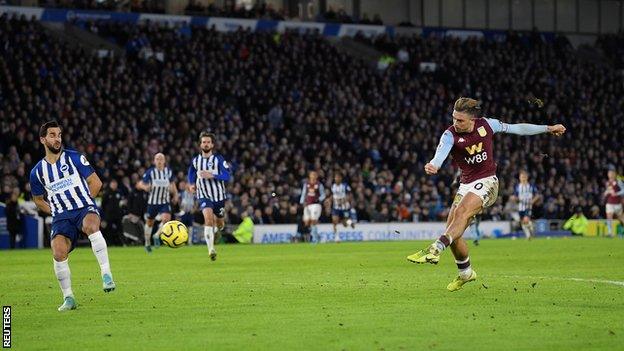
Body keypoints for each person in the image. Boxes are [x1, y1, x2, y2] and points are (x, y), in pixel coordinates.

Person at [406, 97, 566, 291]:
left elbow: (518, 128)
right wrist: (434, 165)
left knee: (461, 212)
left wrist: (548, 128)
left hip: (488, 181)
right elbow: (440, 153)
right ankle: (466, 273)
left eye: (460, 120)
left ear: (472, 119)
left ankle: (435, 248)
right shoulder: (449, 135)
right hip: (465, 185)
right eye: (454, 118)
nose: (456, 123)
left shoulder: (488, 125)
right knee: (453, 231)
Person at [29, 121, 116, 311]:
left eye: (59, 134)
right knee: (58, 252)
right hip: (62, 217)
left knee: (92, 226)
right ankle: (69, 298)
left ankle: (106, 273)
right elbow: (38, 200)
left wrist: (84, 200)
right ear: (43, 139)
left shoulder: (74, 158)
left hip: (83, 207)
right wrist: (56, 210)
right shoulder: (37, 172)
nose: (57, 138)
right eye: (52, 135)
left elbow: (96, 182)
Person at [188, 131, 231, 260]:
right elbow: (191, 171)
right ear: (200, 144)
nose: (205, 144)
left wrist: (212, 175)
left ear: (212, 145)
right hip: (203, 195)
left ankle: (217, 231)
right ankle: (211, 249)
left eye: (208, 142)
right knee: (208, 220)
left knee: (220, 223)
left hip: (218, 197)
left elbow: (227, 175)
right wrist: (191, 184)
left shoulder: (218, 159)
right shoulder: (196, 160)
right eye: (203, 142)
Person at [137, 153, 178, 253]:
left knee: (166, 219)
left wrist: (176, 195)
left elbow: (172, 184)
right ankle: (147, 243)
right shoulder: (150, 172)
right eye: (157, 159)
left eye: (161, 159)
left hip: (164, 201)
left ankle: (156, 235)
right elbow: (139, 184)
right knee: (150, 223)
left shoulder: (168, 172)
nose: (159, 161)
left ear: (164, 161)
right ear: (154, 161)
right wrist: (144, 187)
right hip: (153, 202)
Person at [512, 170, 540, 240]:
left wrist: (532, 201)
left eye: (524, 177)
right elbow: (515, 196)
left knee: (526, 219)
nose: (523, 178)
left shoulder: (531, 186)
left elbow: (537, 195)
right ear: (519, 178)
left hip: (528, 206)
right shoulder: (518, 187)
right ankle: (529, 235)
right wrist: (514, 198)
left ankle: (530, 232)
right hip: (520, 207)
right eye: (522, 177)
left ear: (527, 177)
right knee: (523, 222)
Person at [299, 171, 325, 243]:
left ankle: (314, 239)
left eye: (314, 175)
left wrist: (318, 199)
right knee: (307, 222)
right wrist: (302, 202)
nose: (313, 176)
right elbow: (304, 193)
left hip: (316, 205)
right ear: (310, 176)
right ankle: (316, 236)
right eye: (312, 175)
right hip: (307, 205)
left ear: (316, 176)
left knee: (313, 221)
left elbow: (323, 195)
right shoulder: (306, 184)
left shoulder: (319, 185)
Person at [330, 172, 355, 243]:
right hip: (336, 207)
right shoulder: (333, 186)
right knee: (334, 221)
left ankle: (350, 222)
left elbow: (349, 195)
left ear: (341, 178)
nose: (336, 179)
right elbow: (333, 195)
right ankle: (337, 238)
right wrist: (329, 200)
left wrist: (343, 201)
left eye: (338, 177)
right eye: (335, 177)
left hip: (345, 207)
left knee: (345, 224)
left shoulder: (345, 186)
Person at [603, 169, 624, 238]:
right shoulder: (608, 182)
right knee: (609, 217)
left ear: (614, 174)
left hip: (617, 203)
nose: (610, 175)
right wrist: (606, 193)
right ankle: (610, 233)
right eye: (609, 174)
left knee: (621, 218)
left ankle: (621, 232)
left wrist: (617, 193)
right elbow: (608, 190)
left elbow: (623, 190)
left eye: (611, 173)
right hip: (609, 203)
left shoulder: (618, 181)